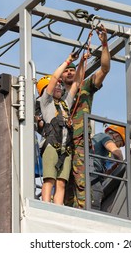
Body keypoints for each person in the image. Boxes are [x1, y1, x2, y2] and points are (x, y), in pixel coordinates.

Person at [63, 24, 111, 209]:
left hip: (80, 141)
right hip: (63, 143)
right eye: (66, 70)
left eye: (72, 70)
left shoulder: (85, 88)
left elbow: (104, 68)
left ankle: (81, 210)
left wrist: (104, 43)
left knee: (81, 179)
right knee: (64, 181)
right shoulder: (57, 95)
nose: (69, 72)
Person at [36, 52, 85, 204]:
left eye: (59, 86)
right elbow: (55, 79)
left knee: (61, 183)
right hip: (51, 145)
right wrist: (67, 61)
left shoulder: (65, 104)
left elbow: (77, 83)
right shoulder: (46, 103)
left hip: (65, 149)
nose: (58, 86)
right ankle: (46, 204)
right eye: (54, 85)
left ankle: (58, 207)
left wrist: (82, 62)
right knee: (49, 179)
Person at [90, 125, 125, 210]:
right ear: (116, 136)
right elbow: (116, 152)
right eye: (119, 144)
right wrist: (121, 161)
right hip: (92, 176)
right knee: (94, 206)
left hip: (94, 175)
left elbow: (104, 175)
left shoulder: (101, 150)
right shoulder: (104, 136)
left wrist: (113, 168)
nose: (118, 146)